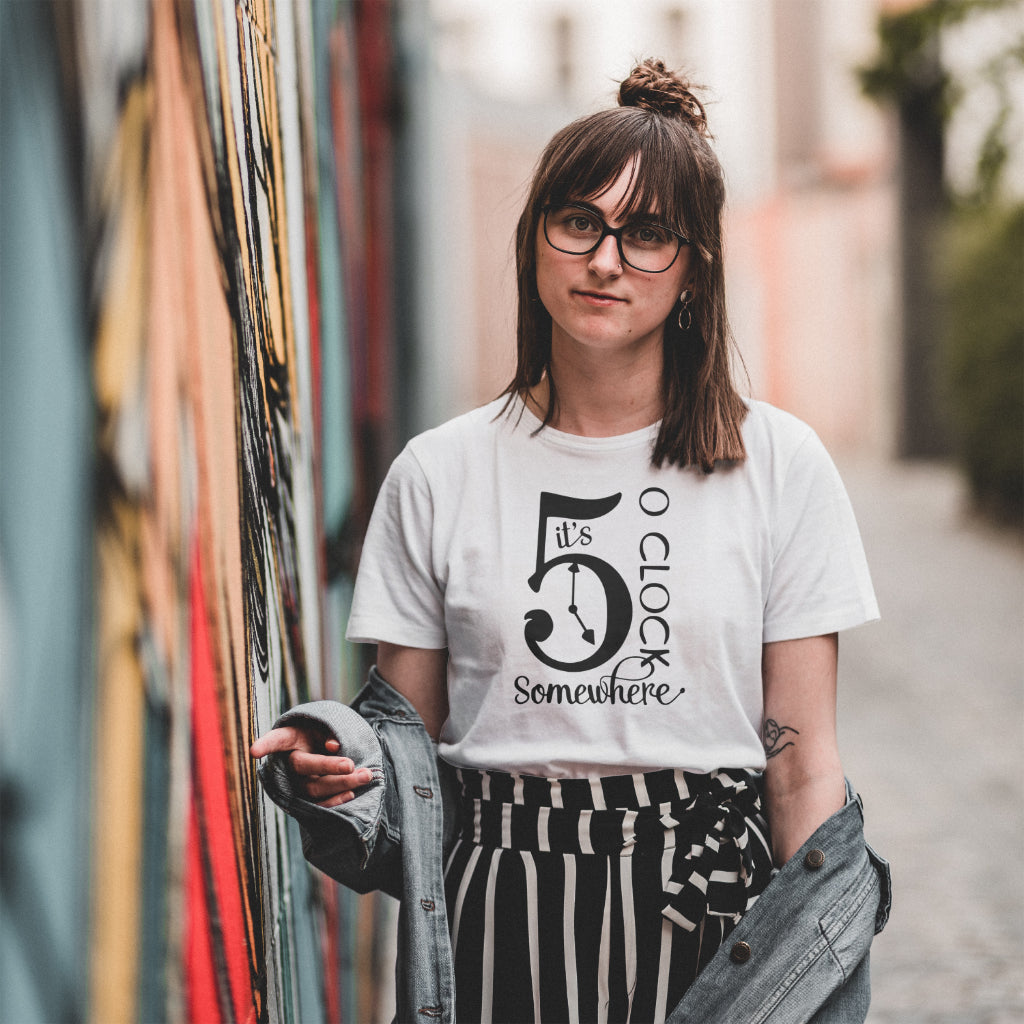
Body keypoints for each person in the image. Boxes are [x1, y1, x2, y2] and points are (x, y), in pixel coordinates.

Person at [251, 58, 888, 1024]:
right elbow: (404, 750)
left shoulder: (781, 465)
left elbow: (801, 767)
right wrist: (336, 761)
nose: (605, 260)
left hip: (716, 920)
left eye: (648, 235)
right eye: (580, 222)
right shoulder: (439, 473)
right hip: (498, 917)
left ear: (694, 269)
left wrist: (820, 975)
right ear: (536, 239)